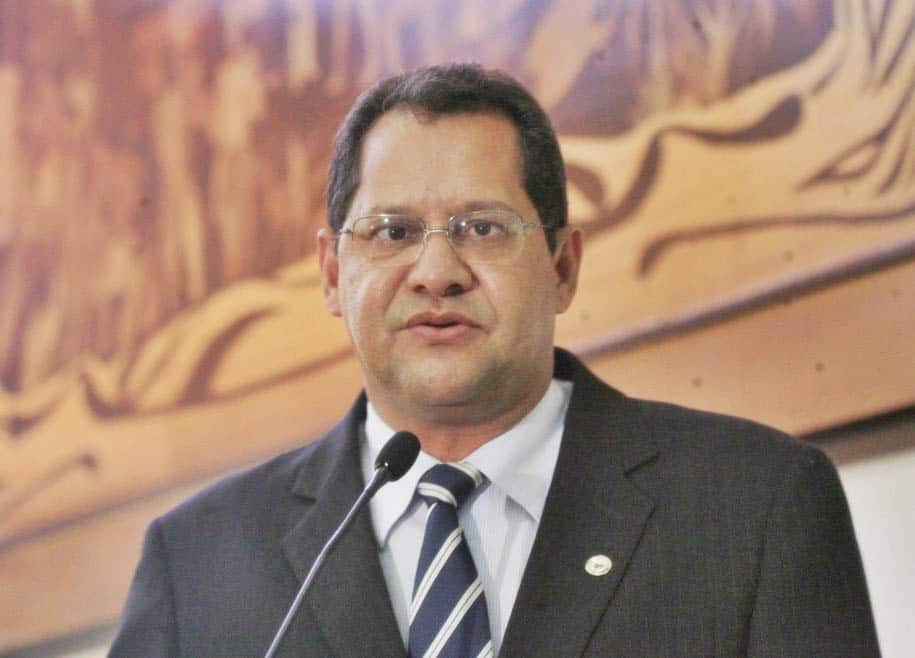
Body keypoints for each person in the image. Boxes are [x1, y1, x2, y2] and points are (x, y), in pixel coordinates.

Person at [110, 64, 880, 657]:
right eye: (391, 231)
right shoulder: (198, 562)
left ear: (562, 267)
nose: (435, 272)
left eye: (481, 228)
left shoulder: (753, 506)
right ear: (332, 275)